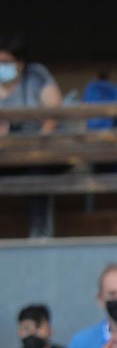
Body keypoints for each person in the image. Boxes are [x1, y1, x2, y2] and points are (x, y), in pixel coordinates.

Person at [0, 34, 65, 238]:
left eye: (6, 62)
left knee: (38, 169)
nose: (1, 67)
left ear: (20, 62)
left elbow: (53, 112)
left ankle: (40, 231)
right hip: (5, 152)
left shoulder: (36, 75)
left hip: (37, 148)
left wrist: (39, 142)